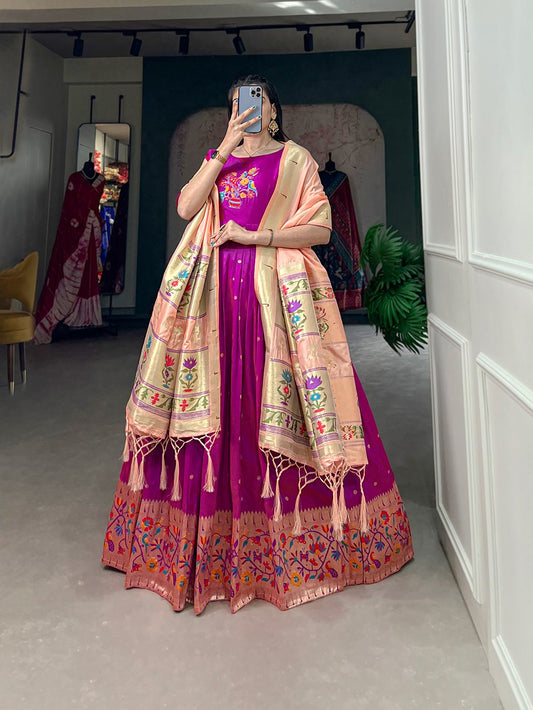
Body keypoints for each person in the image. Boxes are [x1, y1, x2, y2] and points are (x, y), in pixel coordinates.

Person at [101, 75, 414, 614]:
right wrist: (223, 148)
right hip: (212, 306)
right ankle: (202, 549)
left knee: (275, 405)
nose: (247, 110)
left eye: (256, 101)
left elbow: (320, 229)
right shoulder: (218, 159)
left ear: (273, 110)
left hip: (277, 306)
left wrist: (255, 236)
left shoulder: (296, 160)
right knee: (217, 409)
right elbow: (186, 207)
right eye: (237, 104)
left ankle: (291, 547)